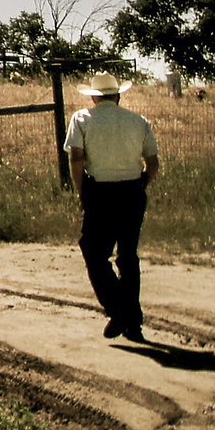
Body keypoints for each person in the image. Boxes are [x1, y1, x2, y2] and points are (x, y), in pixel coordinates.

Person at [64, 72, 160, 342]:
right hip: (132, 191)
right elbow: (153, 165)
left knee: (94, 252)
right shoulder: (138, 121)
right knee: (127, 256)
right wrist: (140, 185)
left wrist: (83, 193)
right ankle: (132, 321)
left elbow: (76, 160)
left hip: (100, 192)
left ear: (94, 97)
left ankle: (120, 310)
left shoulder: (81, 119)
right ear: (117, 96)